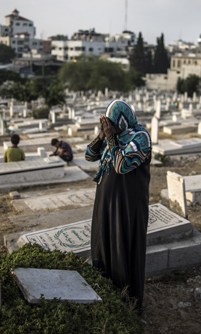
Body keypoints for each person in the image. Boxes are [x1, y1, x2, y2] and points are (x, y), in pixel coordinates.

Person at [85, 99, 151, 313]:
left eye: (111, 123)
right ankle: (108, 296)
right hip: (106, 204)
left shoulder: (139, 137)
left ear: (123, 120)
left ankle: (128, 302)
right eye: (107, 123)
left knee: (124, 246)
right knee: (104, 244)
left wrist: (112, 138)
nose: (109, 126)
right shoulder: (111, 138)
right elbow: (89, 155)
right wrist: (102, 136)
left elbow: (121, 165)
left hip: (127, 206)